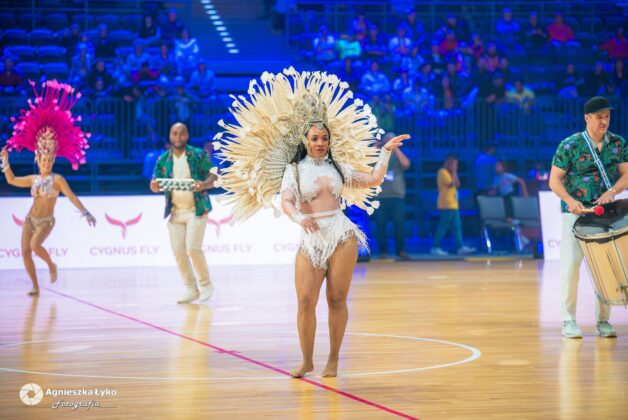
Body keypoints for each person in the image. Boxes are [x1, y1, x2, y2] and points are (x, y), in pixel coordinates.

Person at [214, 68, 410, 377]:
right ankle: (306, 360)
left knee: (336, 299)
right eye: (315, 138)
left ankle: (333, 358)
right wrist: (299, 217)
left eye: (324, 138)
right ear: (305, 140)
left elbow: (373, 179)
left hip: (341, 235)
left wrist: (384, 152)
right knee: (305, 301)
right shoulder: (293, 170)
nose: (320, 143)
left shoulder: (339, 167)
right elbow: (287, 202)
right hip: (310, 239)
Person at [1, 80, 96, 296]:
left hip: (46, 222)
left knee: (35, 246)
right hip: (30, 220)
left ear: (53, 160)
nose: (47, 163)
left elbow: (71, 196)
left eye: (50, 160)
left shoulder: (57, 179)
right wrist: (5, 161)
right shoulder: (34, 178)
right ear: (38, 159)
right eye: (44, 160)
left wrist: (86, 212)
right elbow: (12, 180)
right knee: (25, 252)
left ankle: (52, 265)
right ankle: (35, 285)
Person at [549, 96, 628, 339]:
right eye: (599, 117)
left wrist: (612, 191)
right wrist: (570, 200)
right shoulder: (570, 145)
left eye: (607, 116)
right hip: (576, 215)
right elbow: (554, 180)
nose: (604, 121)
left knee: (606, 267)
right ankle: (568, 320)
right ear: (587, 118)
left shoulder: (618, 143)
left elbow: (626, 175)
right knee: (570, 267)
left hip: (606, 215)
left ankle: (603, 321)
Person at [150, 122, 217, 304]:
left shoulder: (198, 155)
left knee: (193, 249)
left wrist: (204, 184)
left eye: (181, 133)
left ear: (187, 135)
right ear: (170, 136)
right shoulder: (163, 159)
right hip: (175, 211)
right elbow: (154, 181)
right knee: (178, 251)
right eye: (174, 133)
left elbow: (214, 175)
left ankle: (206, 285)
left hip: (197, 209)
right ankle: (191, 288)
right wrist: (154, 186)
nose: (178, 137)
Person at [372, 132, 411, 260]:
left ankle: (401, 251)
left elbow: (406, 164)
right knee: (381, 225)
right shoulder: (379, 155)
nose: (390, 142)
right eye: (388, 140)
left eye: (393, 140)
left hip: (397, 195)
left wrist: (396, 149)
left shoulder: (398, 155)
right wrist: (376, 149)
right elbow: (366, 165)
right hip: (381, 196)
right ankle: (383, 251)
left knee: (399, 225)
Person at [431, 154, 476, 256]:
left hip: (453, 204)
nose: (456, 167)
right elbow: (452, 184)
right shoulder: (442, 172)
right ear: (448, 164)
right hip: (446, 204)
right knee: (443, 226)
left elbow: (458, 184)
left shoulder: (450, 173)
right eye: (454, 164)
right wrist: (454, 171)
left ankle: (460, 247)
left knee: (457, 226)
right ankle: (435, 247)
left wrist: (454, 172)